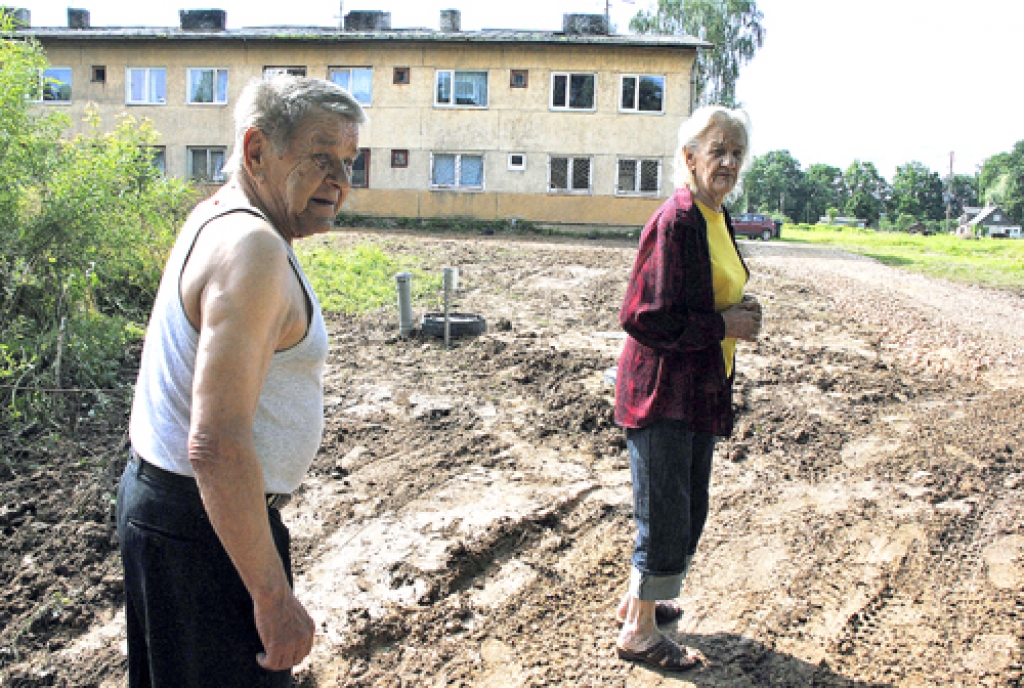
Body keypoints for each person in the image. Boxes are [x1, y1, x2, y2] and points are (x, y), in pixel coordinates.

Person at [116, 76, 366, 687]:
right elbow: (216, 444)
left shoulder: (220, 217)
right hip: (205, 532)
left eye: (349, 162)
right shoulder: (252, 247)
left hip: (182, 515)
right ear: (256, 150)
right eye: (321, 157)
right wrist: (273, 597)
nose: (340, 180)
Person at [613, 105, 762, 672]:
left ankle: (641, 603)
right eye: (717, 150)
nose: (728, 162)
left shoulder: (714, 215)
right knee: (665, 514)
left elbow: (704, 289)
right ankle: (639, 633)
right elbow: (643, 316)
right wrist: (722, 325)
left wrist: (737, 309)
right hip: (662, 392)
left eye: (737, 152)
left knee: (684, 508)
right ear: (689, 157)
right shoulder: (677, 220)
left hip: (697, 388)